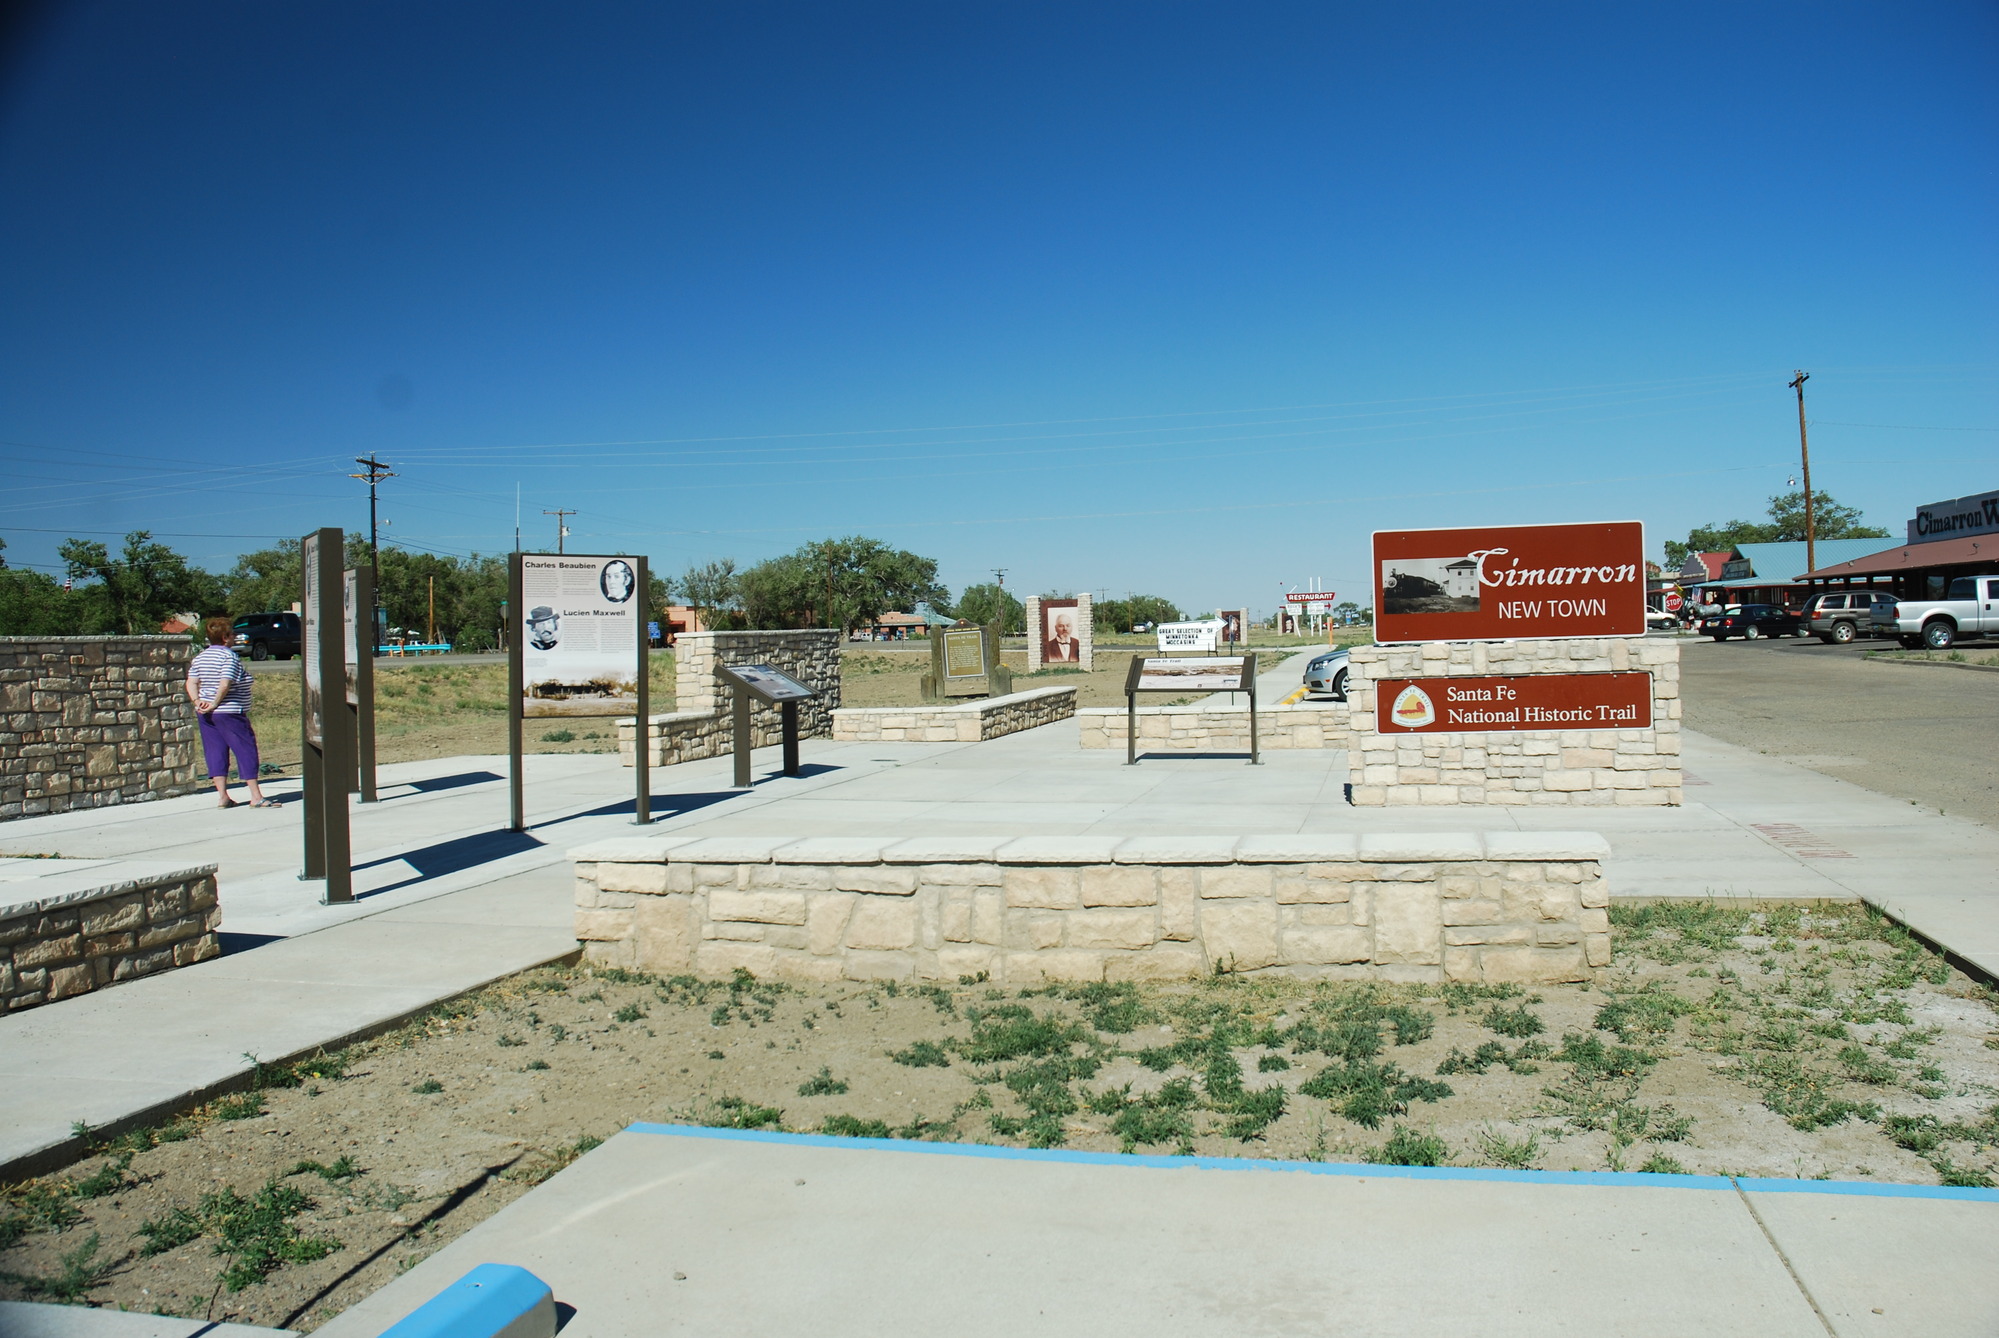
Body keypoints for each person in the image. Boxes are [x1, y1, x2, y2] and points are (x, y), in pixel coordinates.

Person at [186, 617, 274, 809]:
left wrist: (198, 701)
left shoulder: (200, 657)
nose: (235, 637)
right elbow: (225, 683)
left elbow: (191, 682)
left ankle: (223, 796)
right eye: (233, 634)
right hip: (229, 711)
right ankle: (256, 796)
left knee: (215, 750)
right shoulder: (229, 657)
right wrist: (215, 703)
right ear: (225, 637)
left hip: (205, 713)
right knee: (245, 749)